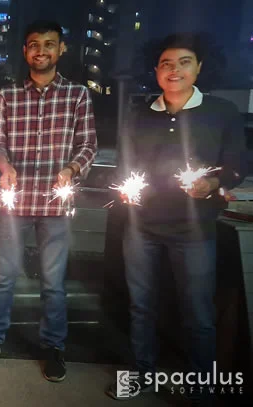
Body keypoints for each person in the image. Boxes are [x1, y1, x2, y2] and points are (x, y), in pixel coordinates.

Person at [106, 33, 247, 403]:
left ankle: (201, 387)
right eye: (166, 64)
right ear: (156, 71)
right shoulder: (139, 115)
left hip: (194, 229)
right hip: (141, 227)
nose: (174, 70)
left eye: (184, 62)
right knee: (141, 306)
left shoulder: (221, 112)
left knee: (198, 312)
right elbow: (124, 165)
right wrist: (126, 188)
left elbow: (237, 164)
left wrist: (213, 182)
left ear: (198, 67)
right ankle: (141, 373)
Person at [0, 20, 98, 382]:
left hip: (56, 205)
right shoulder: (8, 96)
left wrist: (71, 169)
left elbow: (88, 144)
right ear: (25, 51)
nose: (41, 51)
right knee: (3, 276)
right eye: (34, 44)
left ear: (61, 49)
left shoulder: (77, 95)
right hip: (16, 203)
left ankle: (53, 346)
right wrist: (4, 165)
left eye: (49, 44)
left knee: (53, 282)